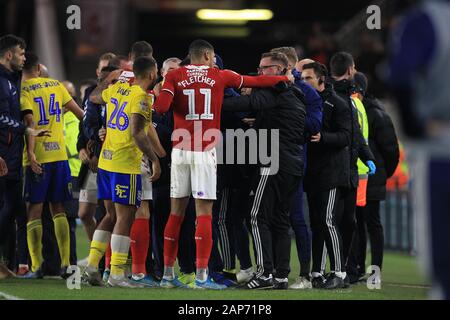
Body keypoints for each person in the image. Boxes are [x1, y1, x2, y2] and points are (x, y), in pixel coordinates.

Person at [153, 39, 293, 290]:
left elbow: (161, 108)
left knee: (176, 213)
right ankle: (202, 277)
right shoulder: (220, 75)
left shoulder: (174, 75)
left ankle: (166, 275)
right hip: (205, 151)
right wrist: (283, 80)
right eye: (213, 55)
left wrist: (166, 90)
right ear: (207, 55)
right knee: (204, 214)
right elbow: (257, 82)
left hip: (180, 151)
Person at [222, 51, 306, 290]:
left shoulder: (275, 92)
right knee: (280, 219)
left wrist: (210, 100)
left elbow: (244, 103)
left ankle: (264, 274)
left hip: (273, 162)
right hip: (292, 164)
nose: (259, 74)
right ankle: (280, 275)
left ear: (279, 70)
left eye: (264, 69)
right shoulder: (294, 94)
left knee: (257, 216)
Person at [385, 0, 450, 299]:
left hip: (440, 149)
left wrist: (415, 128)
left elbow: (400, 77)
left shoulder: (426, 19)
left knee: (442, 266)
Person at [83, 56, 161, 288]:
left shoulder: (117, 89)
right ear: (151, 74)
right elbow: (138, 132)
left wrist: (106, 80)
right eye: (156, 70)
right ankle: (116, 274)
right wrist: (154, 159)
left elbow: (94, 97)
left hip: (106, 162)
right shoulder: (142, 97)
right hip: (125, 164)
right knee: (125, 218)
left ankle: (91, 266)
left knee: (111, 216)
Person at [20, 52, 84, 278]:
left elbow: (30, 122)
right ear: (38, 67)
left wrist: (30, 152)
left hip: (38, 157)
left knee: (34, 211)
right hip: (60, 158)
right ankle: (66, 263)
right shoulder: (57, 85)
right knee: (59, 210)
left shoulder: (23, 89)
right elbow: (80, 114)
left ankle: (37, 266)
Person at [271, 46, 323, 289]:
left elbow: (314, 124)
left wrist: (288, 119)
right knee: (269, 217)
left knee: (297, 218)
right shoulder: (270, 86)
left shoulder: (307, 93)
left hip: (293, 161)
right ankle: (271, 271)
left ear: (288, 66)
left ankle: (306, 275)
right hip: (267, 160)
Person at [301, 62, 351, 289]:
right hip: (312, 171)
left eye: (308, 78)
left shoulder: (339, 103)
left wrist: (324, 138)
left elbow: (347, 137)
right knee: (317, 223)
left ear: (322, 80)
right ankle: (317, 272)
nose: (304, 82)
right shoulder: (307, 102)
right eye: (302, 78)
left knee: (328, 220)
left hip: (332, 171)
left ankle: (340, 273)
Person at [348, 72, 399, 284]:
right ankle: (360, 268)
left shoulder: (376, 114)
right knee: (360, 223)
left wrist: (382, 173)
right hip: (363, 174)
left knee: (370, 223)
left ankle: (375, 271)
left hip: (372, 176)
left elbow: (391, 151)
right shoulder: (372, 112)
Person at [329, 52, 375, 274]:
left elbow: (356, 137)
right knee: (352, 221)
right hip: (355, 170)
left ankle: (349, 267)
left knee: (345, 221)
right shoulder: (356, 105)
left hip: (352, 169)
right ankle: (352, 266)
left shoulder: (339, 100)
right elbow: (359, 136)